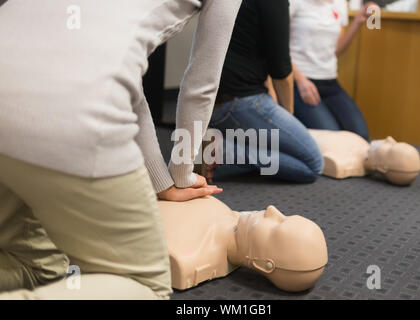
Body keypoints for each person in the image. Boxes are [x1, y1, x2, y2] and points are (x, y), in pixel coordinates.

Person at [0, 0, 240, 297]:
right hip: (68, 102)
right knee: (146, 286)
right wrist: (181, 175)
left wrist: (161, 182)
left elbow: (119, 68)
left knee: (36, 266)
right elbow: (201, 86)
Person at [208, 0, 323, 183]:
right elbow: (281, 70)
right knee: (313, 164)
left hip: (207, 101)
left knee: (281, 146)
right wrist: (288, 117)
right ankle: (221, 150)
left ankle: (226, 141)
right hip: (239, 102)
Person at [290, 0, 376, 141]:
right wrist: (300, 80)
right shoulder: (293, 3)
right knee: (333, 139)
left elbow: (336, 50)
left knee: (361, 136)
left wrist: (357, 22)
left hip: (330, 82)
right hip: (300, 82)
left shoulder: (339, 3)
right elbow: (278, 49)